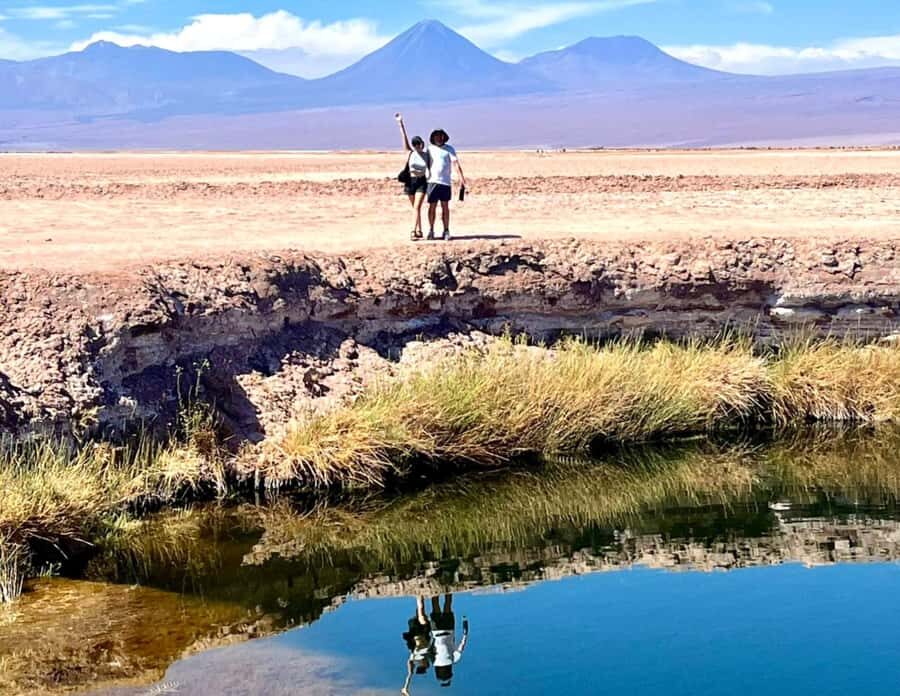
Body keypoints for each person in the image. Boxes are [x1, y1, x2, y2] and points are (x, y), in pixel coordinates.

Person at [426, 129, 467, 241]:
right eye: (436, 136)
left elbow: (456, 164)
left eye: (440, 136)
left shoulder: (449, 149)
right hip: (432, 182)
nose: (439, 138)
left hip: (445, 183)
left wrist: (462, 179)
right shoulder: (429, 149)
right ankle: (431, 230)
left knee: (445, 207)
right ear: (433, 138)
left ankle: (446, 230)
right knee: (432, 207)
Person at [395, 113, 431, 241]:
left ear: (422, 144)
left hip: (421, 182)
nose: (417, 146)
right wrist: (401, 124)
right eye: (415, 144)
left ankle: (412, 231)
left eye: (419, 143)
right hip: (410, 182)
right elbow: (404, 138)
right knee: (415, 208)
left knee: (416, 207)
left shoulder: (427, 155)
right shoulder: (410, 153)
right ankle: (419, 230)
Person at [430, 594, 469, 688]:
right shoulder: (434, 661)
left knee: (447, 604)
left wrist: (465, 629)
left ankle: (448, 588)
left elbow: (462, 644)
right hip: (436, 631)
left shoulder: (454, 659)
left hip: (448, 629)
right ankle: (434, 588)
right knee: (435, 606)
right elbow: (429, 647)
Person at [401, 596, 434, 696]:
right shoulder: (428, 655)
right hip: (423, 631)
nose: (427, 664)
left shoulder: (415, 656)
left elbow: (409, 674)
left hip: (415, 631)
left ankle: (419, 596)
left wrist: (406, 687)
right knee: (421, 613)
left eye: (425, 665)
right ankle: (420, 597)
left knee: (421, 613)